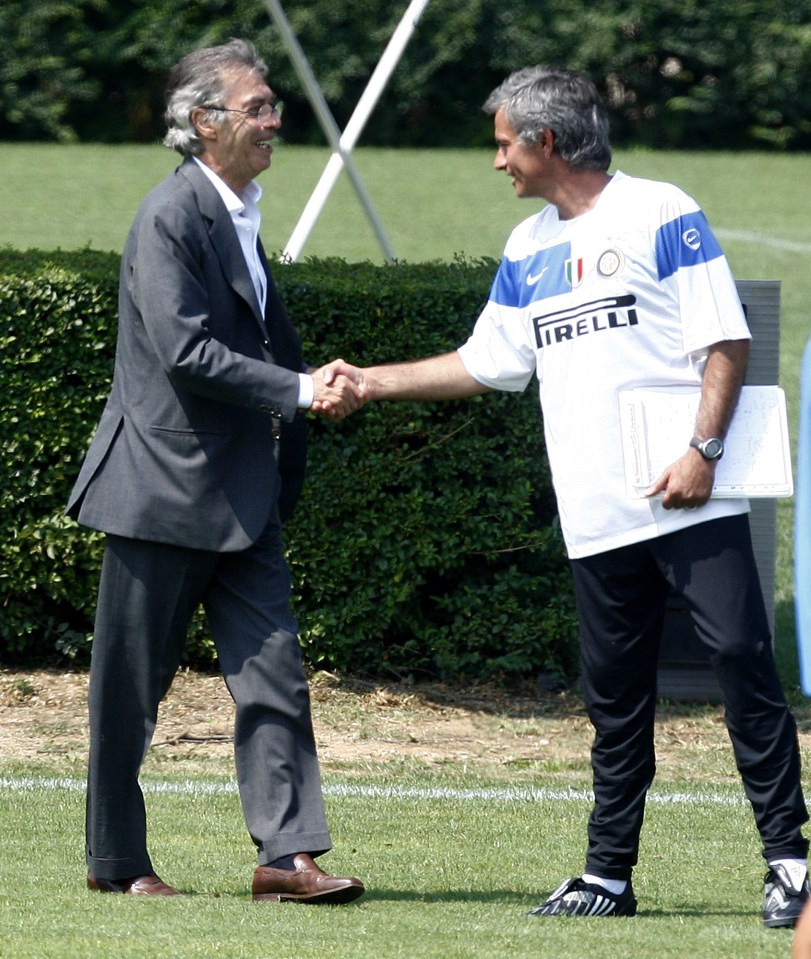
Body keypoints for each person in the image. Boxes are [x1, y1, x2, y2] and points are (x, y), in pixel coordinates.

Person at [324, 65, 809, 925]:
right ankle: (607, 875)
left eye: (503, 143)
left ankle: (789, 860)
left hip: (690, 499)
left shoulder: (660, 209)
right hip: (594, 514)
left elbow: (724, 339)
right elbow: (487, 361)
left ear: (545, 142)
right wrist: (372, 381)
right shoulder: (526, 249)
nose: (496, 161)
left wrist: (701, 452)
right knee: (614, 700)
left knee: (741, 661)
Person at [66, 38, 365, 903]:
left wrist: (297, 400)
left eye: (273, 105)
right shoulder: (169, 215)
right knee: (129, 693)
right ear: (203, 124)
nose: (275, 121)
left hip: (243, 494)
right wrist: (302, 391)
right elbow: (188, 351)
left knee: (274, 675)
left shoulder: (238, 209)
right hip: (159, 491)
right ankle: (116, 861)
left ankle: (288, 854)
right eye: (258, 107)